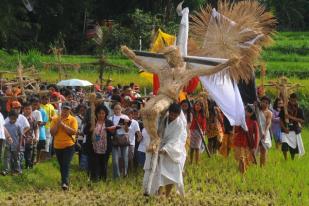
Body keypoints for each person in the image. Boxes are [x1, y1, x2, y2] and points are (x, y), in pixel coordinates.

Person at [143, 103, 187, 197]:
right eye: (171, 114)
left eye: (175, 115)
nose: (173, 116)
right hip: (160, 146)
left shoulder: (180, 124)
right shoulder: (163, 118)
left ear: (179, 114)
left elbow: (175, 139)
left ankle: (167, 194)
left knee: (172, 174)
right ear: (169, 112)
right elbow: (155, 130)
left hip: (173, 150)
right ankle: (157, 193)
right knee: (159, 173)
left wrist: (166, 149)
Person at [50, 103, 78, 190]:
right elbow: (52, 133)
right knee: (62, 165)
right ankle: (64, 181)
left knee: (66, 164)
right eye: (64, 110)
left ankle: (65, 183)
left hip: (69, 145)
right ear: (61, 110)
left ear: (70, 110)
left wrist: (63, 125)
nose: (65, 112)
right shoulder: (55, 119)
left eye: (67, 110)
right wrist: (58, 124)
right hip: (57, 146)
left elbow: (73, 132)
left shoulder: (73, 119)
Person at [84, 104, 114, 181]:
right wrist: (91, 129)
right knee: (94, 164)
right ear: (96, 113)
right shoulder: (92, 122)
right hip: (93, 147)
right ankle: (94, 180)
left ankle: (103, 180)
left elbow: (113, 133)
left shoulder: (109, 122)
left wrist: (111, 130)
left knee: (104, 164)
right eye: (99, 113)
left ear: (106, 114)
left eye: (103, 113)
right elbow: (85, 131)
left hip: (105, 147)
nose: (101, 115)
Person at [233, 105, 259, 174]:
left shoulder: (254, 122)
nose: (246, 112)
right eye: (246, 111)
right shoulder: (241, 120)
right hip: (239, 141)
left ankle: (243, 173)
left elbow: (256, 135)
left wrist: (255, 147)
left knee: (245, 159)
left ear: (252, 113)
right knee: (240, 158)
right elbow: (236, 130)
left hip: (248, 143)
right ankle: (241, 172)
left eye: (248, 111)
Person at [280, 93, 305, 160]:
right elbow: (281, 120)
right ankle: (285, 159)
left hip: (294, 130)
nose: (293, 102)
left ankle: (292, 159)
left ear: (296, 100)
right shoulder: (284, 108)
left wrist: (291, 117)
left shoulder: (299, 109)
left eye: (294, 101)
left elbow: (302, 121)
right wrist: (284, 128)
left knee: (293, 147)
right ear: (289, 99)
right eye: (291, 100)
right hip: (285, 130)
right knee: (284, 146)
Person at [108, 103, 130, 178]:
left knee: (125, 158)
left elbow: (127, 130)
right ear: (113, 110)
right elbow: (110, 129)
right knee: (115, 159)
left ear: (121, 109)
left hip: (123, 137)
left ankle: (125, 174)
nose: (117, 110)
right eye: (115, 109)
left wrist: (126, 125)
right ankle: (116, 176)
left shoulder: (125, 117)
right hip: (115, 137)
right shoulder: (111, 118)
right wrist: (115, 127)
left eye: (118, 109)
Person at [2, 110, 22, 175]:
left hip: (16, 145)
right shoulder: (5, 125)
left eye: (15, 118)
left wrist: (19, 145)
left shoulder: (18, 126)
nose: (13, 120)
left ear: (17, 117)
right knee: (6, 158)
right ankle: (6, 170)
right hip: (7, 145)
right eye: (11, 118)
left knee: (16, 158)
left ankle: (18, 170)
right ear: (9, 117)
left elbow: (21, 135)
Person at [22, 102, 39, 169]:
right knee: (22, 155)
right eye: (26, 109)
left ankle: (29, 167)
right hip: (21, 139)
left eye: (29, 109)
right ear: (23, 110)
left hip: (30, 140)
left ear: (31, 110)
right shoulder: (20, 118)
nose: (28, 110)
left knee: (30, 154)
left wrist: (36, 137)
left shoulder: (33, 119)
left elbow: (36, 128)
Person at [124, 108, 141, 172]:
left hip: (131, 143)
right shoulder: (122, 121)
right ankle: (123, 172)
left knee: (130, 159)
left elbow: (138, 132)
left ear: (132, 114)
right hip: (122, 143)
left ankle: (130, 172)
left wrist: (139, 138)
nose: (128, 115)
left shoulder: (135, 122)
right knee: (123, 159)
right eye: (126, 114)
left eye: (129, 114)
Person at [32, 98, 48, 162]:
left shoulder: (42, 111)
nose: (35, 105)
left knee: (39, 148)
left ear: (39, 103)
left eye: (36, 104)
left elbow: (45, 122)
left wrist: (37, 124)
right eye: (34, 104)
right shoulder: (30, 111)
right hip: (32, 132)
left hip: (41, 132)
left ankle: (38, 161)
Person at [258, 96, 272, 167]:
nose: (264, 104)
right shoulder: (257, 110)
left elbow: (268, 123)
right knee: (256, 150)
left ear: (269, 105)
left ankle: (263, 166)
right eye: (263, 102)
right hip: (257, 131)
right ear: (260, 102)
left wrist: (265, 132)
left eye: (266, 103)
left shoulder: (269, 113)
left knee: (264, 150)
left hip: (264, 132)